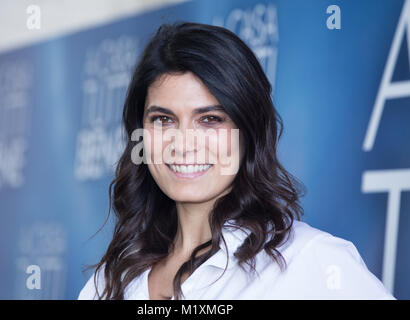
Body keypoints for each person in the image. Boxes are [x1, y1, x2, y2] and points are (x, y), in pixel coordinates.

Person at [78, 21, 395, 300]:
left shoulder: (312, 262)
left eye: (210, 120)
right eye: (163, 120)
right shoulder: (110, 281)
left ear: (248, 131)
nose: (183, 144)